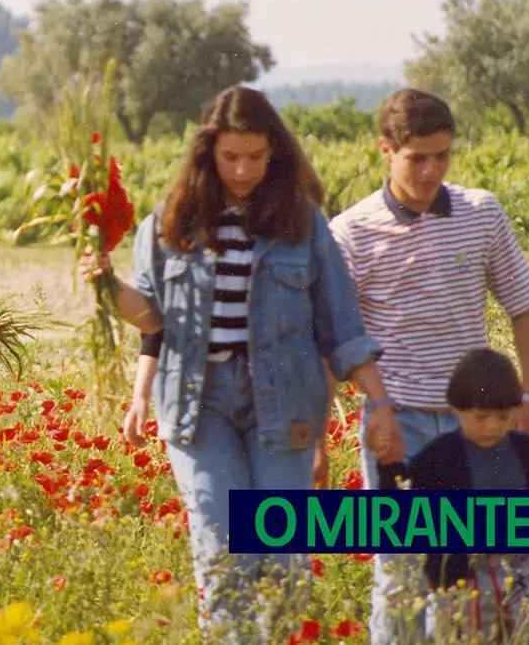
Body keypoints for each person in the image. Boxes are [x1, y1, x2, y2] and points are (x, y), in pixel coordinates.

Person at [82, 85, 393, 643]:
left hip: (287, 401)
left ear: (274, 151)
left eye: (255, 155)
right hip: (199, 407)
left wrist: (380, 401)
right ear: (208, 153)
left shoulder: (302, 222)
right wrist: (106, 284)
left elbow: (341, 325)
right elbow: (151, 320)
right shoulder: (168, 224)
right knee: (223, 550)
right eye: (230, 156)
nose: (243, 168)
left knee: (280, 558)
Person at [327, 88, 529, 643]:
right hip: (397, 424)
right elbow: (337, 338)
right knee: (401, 576)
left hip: (478, 425)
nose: (431, 171)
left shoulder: (480, 212)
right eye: (416, 157)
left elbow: (523, 306)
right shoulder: (351, 231)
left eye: (442, 155)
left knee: (480, 571)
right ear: (386, 150)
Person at [377, 348, 529, 643]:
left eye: (503, 416)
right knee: (462, 634)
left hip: (524, 567)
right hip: (463, 573)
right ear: (456, 408)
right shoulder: (441, 455)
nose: (493, 426)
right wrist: (388, 466)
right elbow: (403, 502)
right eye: (481, 417)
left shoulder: (525, 451)